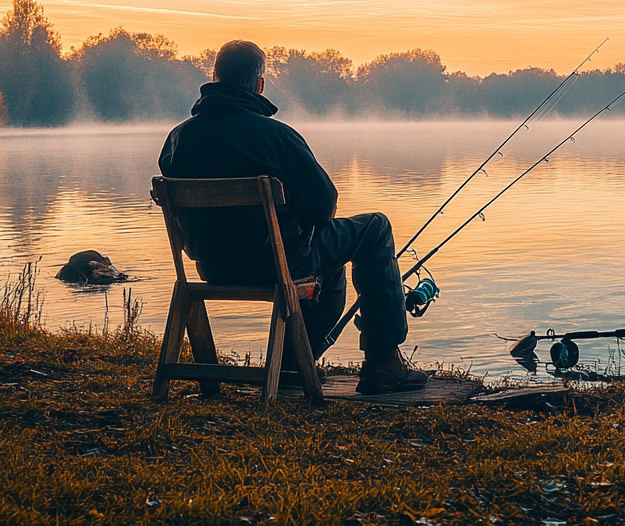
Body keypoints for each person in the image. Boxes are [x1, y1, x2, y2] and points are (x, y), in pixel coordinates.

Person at [158, 39, 427, 394]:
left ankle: (290, 364)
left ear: (215, 78)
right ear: (259, 85)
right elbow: (322, 207)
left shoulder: (178, 139)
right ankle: (384, 363)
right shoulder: (276, 136)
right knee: (375, 229)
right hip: (276, 264)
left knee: (328, 268)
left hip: (211, 267)